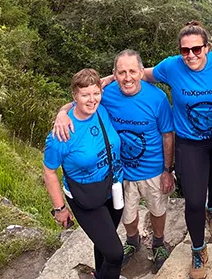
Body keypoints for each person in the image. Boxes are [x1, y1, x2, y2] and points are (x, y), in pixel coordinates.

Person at [53, 51, 176, 272]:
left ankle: (158, 242)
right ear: (114, 74)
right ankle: (132, 241)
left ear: (141, 72)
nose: (127, 77)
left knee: (157, 209)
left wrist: (168, 170)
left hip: (153, 169)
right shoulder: (106, 95)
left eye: (132, 71)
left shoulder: (157, 98)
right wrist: (61, 114)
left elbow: (168, 134)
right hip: (121, 172)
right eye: (121, 72)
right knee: (127, 213)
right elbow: (81, 101)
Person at [147, 22, 212, 279]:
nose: (190, 55)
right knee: (194, 200)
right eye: (185, 50)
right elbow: (140, 75)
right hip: (188, 142)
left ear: (207, 48)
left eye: (197, 49)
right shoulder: (171, 67)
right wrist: (109, 80)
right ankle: (198, 249)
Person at [44, 69, 124, 279]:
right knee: (116, 254)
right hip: (85, 197)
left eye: (95, 94)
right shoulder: (62, 133)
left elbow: (104, 82)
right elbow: (49, 171)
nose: (92, 100)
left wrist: (116, 76)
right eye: (85, 95)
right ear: (74, 96)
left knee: (104, 243)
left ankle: (99, 274)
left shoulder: (101, 109)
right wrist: (59, 209)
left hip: (113, 188)